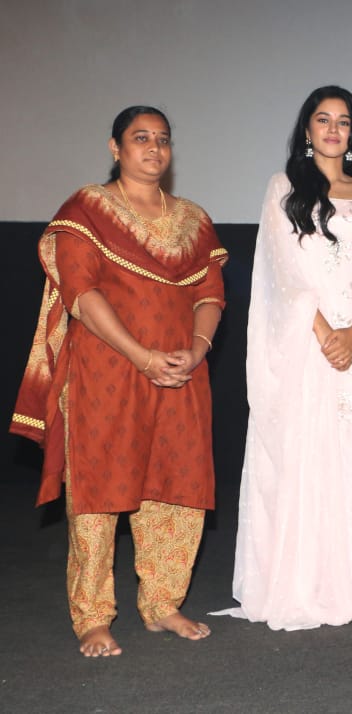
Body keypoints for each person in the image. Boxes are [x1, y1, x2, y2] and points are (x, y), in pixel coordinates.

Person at [10, 106, 227, 656]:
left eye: (163, 139)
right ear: (115, 148)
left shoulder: (194, 220)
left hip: (180, 372)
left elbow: (210, 294)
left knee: (177, 484)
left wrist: (197, 351)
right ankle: (92, 617)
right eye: (140, 138)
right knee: (99, 491)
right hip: (106, 369)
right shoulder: (87, 210)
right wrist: (141, 356)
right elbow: (81, 294)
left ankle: (162, 604)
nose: (154, 148)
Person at [218, 86, 352, 629]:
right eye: (323, 119)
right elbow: (284, 276)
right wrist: (326, 335)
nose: (334, 129)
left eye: (343, 121)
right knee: (304, 456)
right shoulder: (284, 188)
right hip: (306, 344)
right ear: (308, 129)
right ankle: (301, 585)